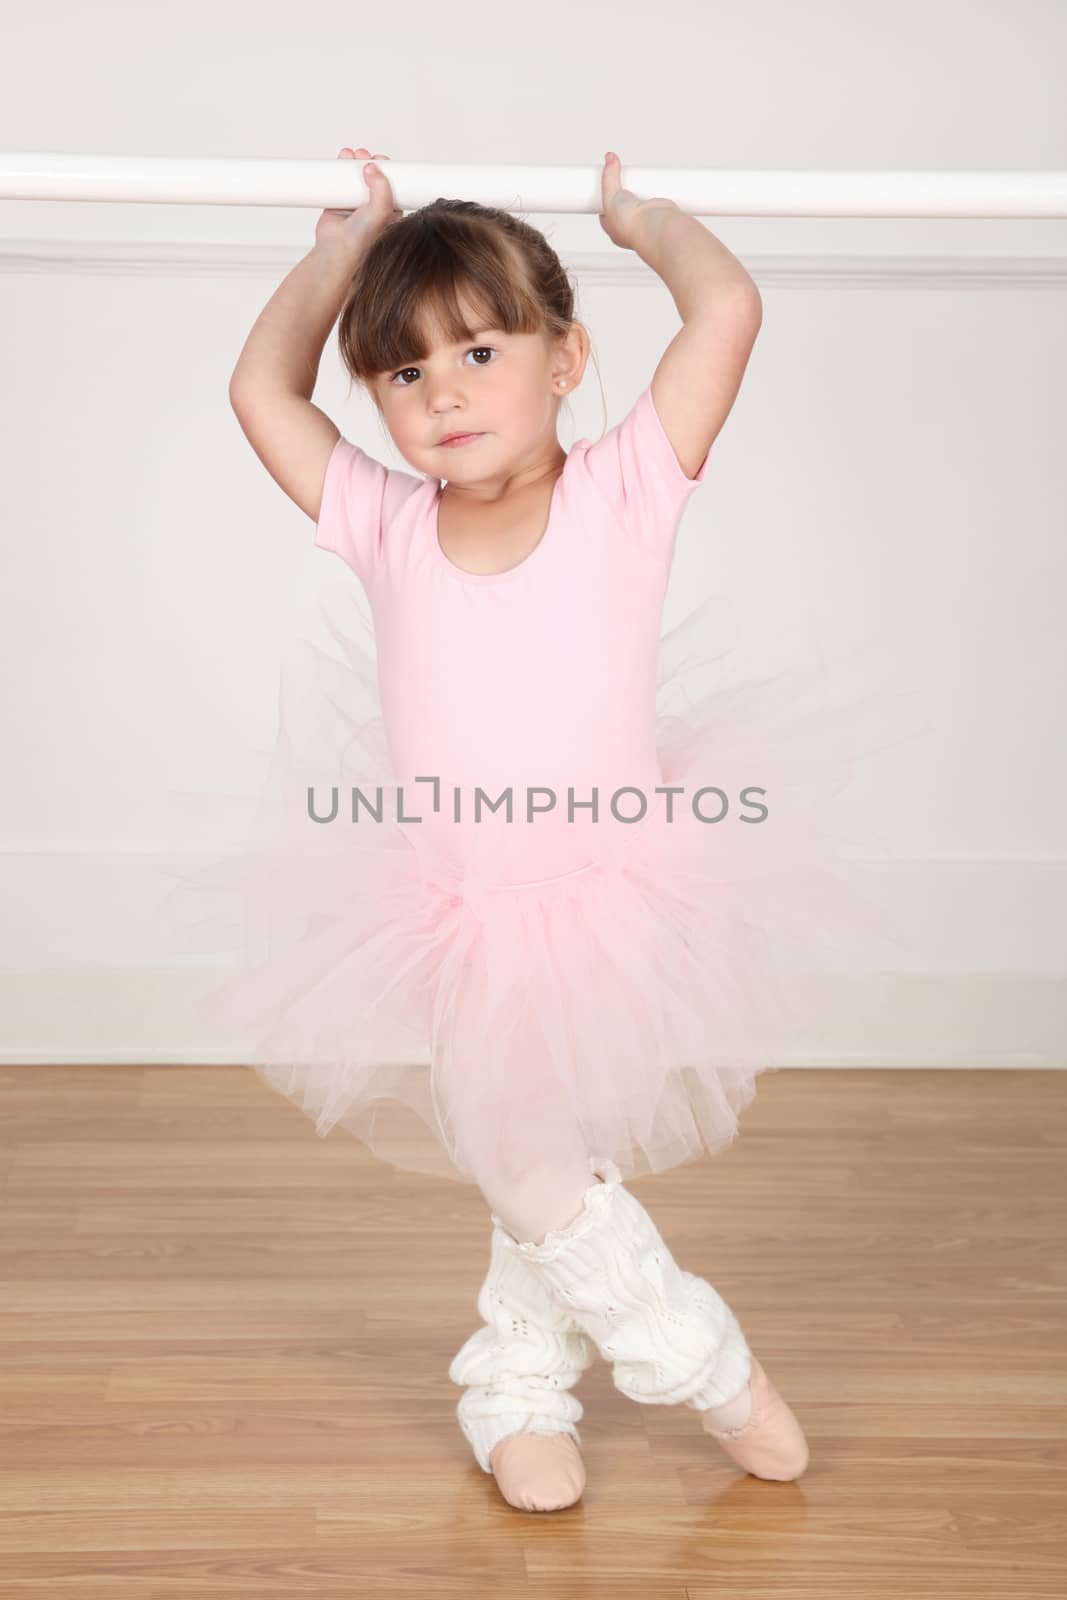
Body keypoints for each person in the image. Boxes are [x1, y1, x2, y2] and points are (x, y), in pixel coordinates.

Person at [167, 147, 921, 1513]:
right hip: (453, 904)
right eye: (403, 374)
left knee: (534, 1155)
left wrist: (642, 221)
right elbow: (256, 392)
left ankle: (523, 1385)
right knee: (525, 1155)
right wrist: (341, 252)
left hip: (609, 892)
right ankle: (685, 1358)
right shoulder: (385, 524)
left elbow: (728, 310)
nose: (441, 393)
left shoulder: (627, 491)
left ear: (566, 358)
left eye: (477, 351)